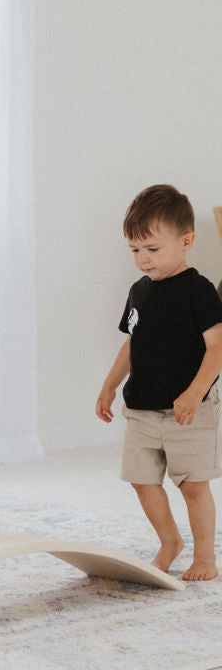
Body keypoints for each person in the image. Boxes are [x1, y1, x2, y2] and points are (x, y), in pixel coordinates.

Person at [96, 184, 222, 581]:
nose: (142, 259)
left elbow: (217, 347)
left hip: (188, 410)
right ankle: (170, 542)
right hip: (142, 408)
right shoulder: (139, 292)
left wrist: (194, 392)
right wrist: (110, 385)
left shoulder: (197, 291)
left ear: (186, 241)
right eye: (135, 250)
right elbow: (132, 344)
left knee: (193, 486)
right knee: (141, 480)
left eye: (152, 249)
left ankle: (205, 557)